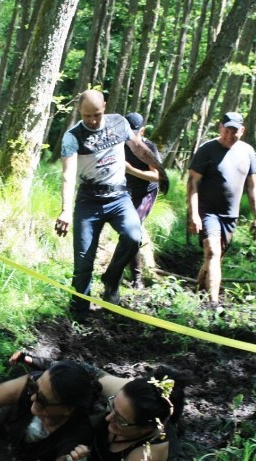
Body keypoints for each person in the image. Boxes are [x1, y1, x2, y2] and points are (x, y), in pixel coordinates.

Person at [55, 89, 168, 321]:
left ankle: (111, 280)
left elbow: (138, 147)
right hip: (89, 201)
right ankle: (79, 314)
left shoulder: (119, 123)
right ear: (80, 111)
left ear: (104, 107)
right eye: (87, 116)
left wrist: (160, 170)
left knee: (133, 236)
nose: (92, 120)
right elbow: (68, 174)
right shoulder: (72, 136)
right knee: (84, 261)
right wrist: (66, 210)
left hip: (119, 197)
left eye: (96, 114)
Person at [11, 351, 184, 461]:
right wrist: (40, 362)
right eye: (112, 406)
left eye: (120, 420)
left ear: (144, 429)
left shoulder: (149, 453)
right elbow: (89, 372)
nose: (109, 418)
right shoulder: (129, 393)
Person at [187, 111, 256, 306]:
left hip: (230, 215)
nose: (229, 135)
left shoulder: (247, 152)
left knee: (214, 258)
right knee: (212, 251)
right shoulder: (207, 149)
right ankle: (213, 304)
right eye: (226, 130)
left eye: (234, 132)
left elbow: (252, 185)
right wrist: (194, 214)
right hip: (207, 210)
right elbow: (193, 182)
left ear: (242, 131)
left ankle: (199, 292)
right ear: (220, 128)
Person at [123, 112, 165, 289]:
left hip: (146, 192)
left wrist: (131, 170)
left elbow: (157, 176)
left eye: (133, 133)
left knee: (133, 229)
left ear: (142, 131)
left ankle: (137, 279)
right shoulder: (118, 144)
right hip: (126, 191)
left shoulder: (148, 148)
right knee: (124, 231)